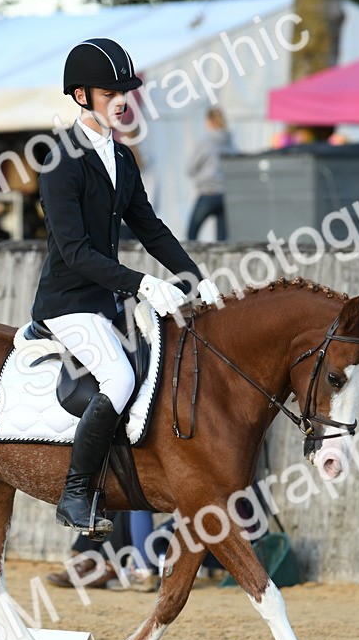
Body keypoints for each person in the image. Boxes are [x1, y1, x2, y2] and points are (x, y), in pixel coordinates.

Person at [32, 38, 222, 536]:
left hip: (108, 302)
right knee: (118, 380)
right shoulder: (60, 160)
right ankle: (75, 494)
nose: (122, 100)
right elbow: (75, 252)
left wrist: (197, 279)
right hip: (69, 303)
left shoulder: (122, 156)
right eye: (110, 93)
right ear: (81, 96)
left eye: (126, 92)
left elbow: (151, 229)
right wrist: (143, 283)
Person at [185, 107, 236, 242]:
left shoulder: (205, 142)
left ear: (209, 121)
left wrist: (200, 179)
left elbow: (190, 167)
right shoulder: (230, 141)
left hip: (208, 192)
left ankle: (191, 257)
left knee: (191, 235)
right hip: (225, 194)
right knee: (222, 241)